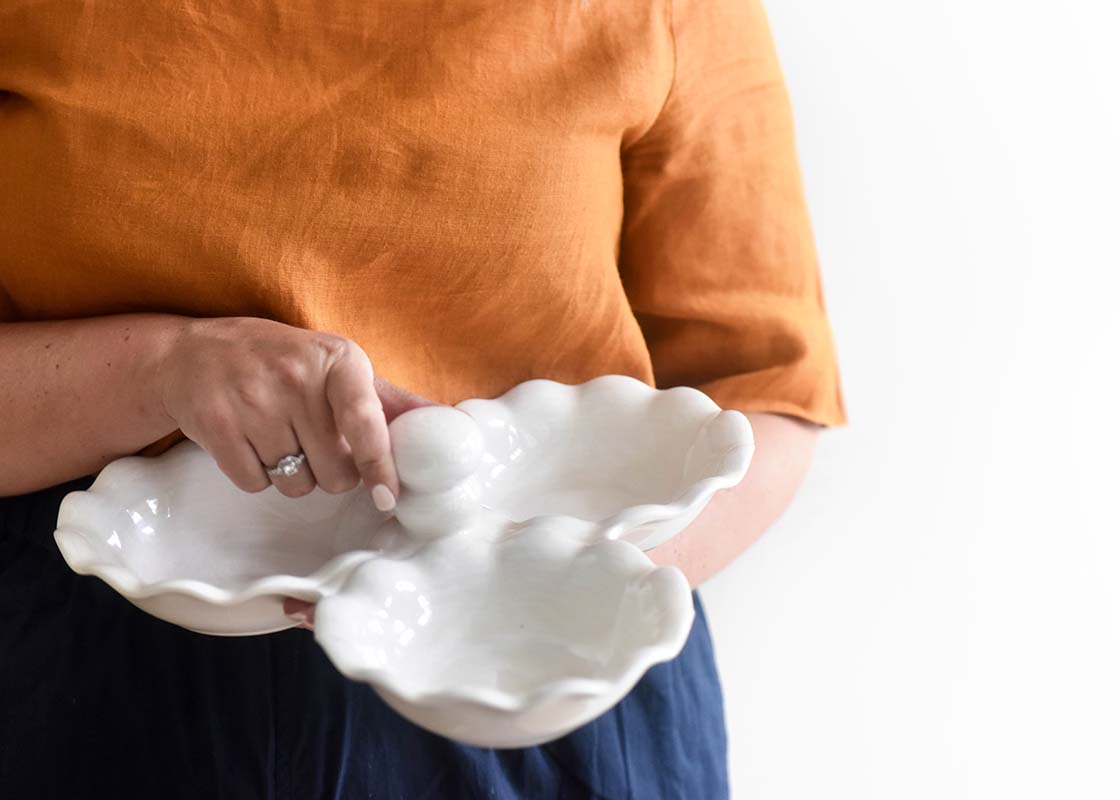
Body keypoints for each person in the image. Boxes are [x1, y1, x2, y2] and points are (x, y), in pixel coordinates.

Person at [0, 0, 845, 797]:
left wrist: (565, 597)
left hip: (540, 685)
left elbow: (766, 393)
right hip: (91, 668)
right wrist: (162, 369)